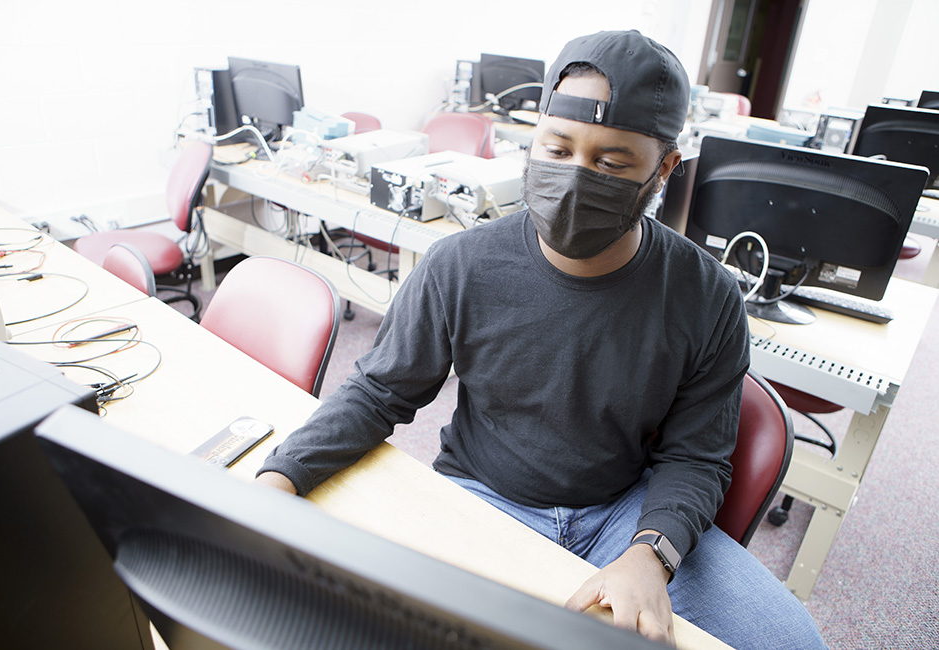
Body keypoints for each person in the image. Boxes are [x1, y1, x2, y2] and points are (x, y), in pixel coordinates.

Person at [257, 30, 827, 649]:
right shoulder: (462, 266)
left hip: (621, 513)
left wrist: (651, 554)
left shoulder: (706, 295)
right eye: (557, 149)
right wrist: (281, 476)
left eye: (612, 164)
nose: (578, 177)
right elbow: (377, 393)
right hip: (484, 497)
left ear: (664, 167)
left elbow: (696, 456)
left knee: (790, 643)